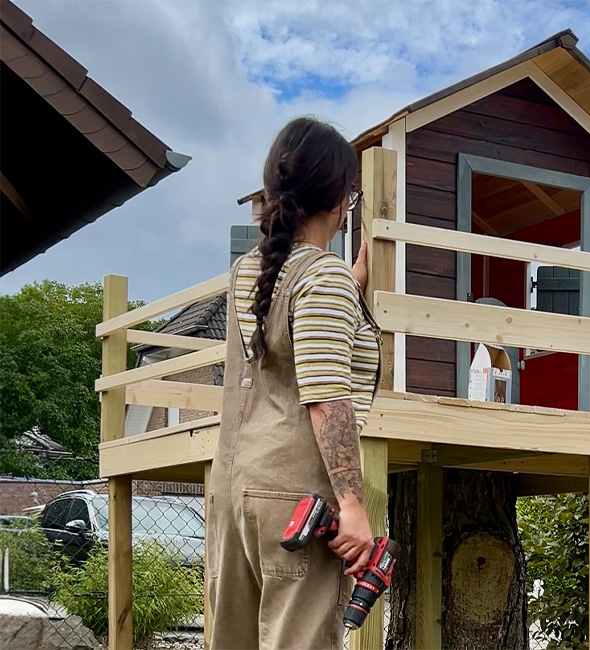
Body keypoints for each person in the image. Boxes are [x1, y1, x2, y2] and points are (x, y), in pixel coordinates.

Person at [207, 116, 381, 649]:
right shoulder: (321, 277)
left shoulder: (248, 270)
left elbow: (288, 335)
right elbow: (326, 395)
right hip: (295, 497)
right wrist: (352, 503)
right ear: (342, 198)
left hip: (234, 490)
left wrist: (349, 285)